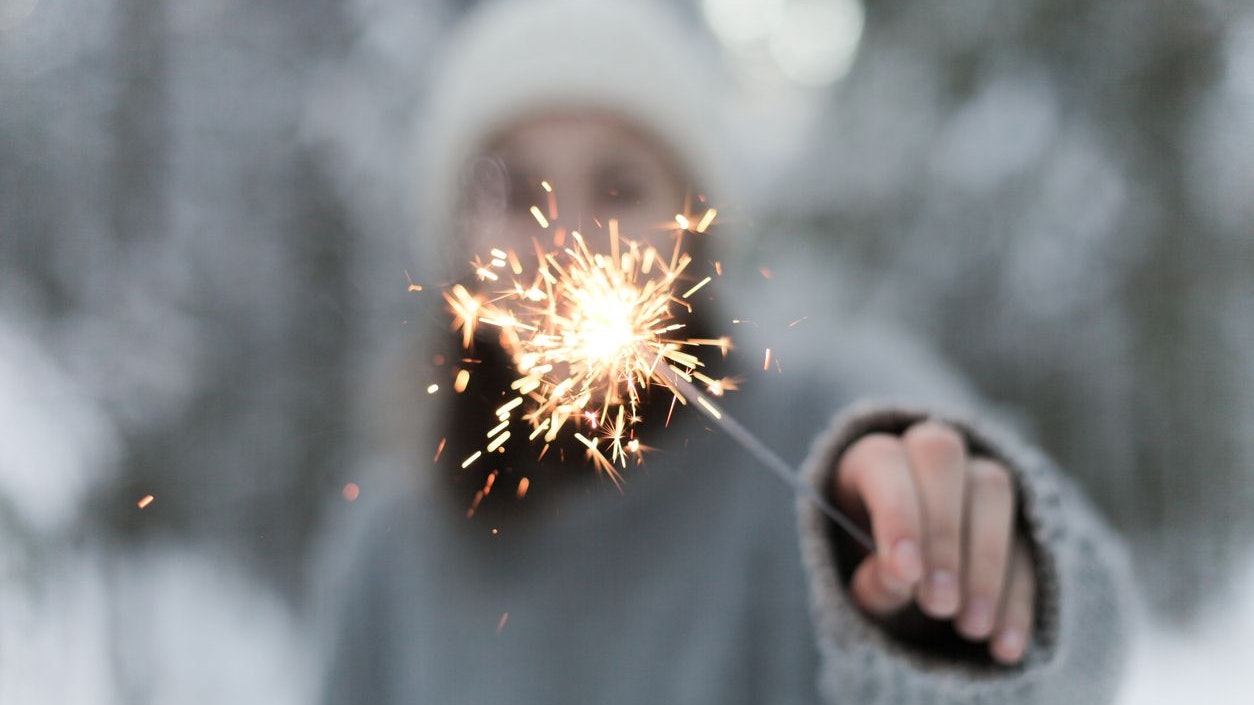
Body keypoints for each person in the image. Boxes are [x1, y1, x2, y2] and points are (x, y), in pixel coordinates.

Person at [315, 1, 1132, 703]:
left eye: (619, 188)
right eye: (517, 194)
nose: (565, 244)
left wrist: (964, 563)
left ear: (695, 229)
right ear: (458, 246)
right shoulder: (389, 548)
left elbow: (1078, 639)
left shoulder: (826, 426)